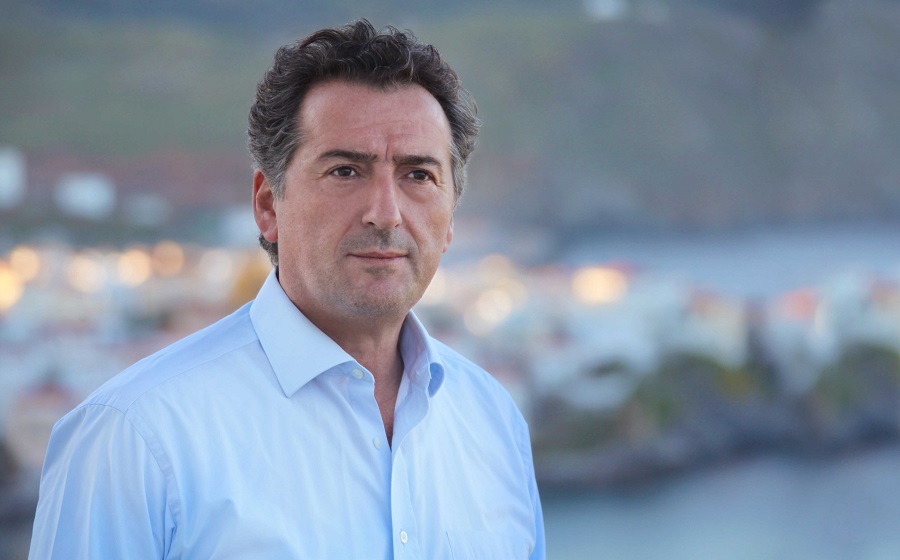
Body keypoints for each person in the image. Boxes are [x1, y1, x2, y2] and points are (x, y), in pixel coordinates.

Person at [28, 19, 545, 559]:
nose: (386, 213)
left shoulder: (494, 421)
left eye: (418, 175)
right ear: (267, 205)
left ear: (451, 216)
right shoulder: (133, 436)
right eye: (345, 171)